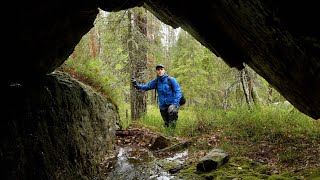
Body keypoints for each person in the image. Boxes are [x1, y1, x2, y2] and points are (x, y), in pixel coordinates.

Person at [131, 64, 183, 128]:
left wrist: (174, 104)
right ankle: (167, 134)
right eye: (158, 70)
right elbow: (146, 87)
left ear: (164, 70)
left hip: (172, 105)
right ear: (156, 71)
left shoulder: (171, 80)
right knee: (166, 123)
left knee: (172, 122)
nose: (160, 71)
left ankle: (173, 135)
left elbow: (178, 92)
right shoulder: (156, 82)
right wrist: (136, 85)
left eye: (161, 69)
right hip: (162, 106)